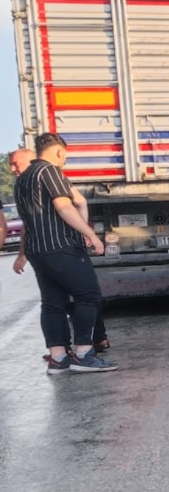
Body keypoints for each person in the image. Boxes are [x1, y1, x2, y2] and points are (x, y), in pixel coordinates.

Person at [14, 133, 115, 373]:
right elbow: (65, 207)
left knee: (52, 303)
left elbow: (29, 222)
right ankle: (83, 353)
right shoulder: (50, 172)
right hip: (60, 246)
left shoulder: (22, 179)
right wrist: (90, 235)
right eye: (65, 156)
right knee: (88, 296)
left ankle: (58, 358)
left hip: (37, 249)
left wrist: (23, 253)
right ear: (59, 152)